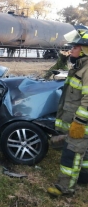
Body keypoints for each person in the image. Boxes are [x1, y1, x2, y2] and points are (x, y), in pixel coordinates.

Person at [47, 29, 88, 196]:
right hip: (80, 122)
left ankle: (64, 189)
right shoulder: (81, 66)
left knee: (70, 156)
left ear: (85, 50)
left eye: (76, 47)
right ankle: (84, 177)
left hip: (81, 123)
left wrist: (79, 122)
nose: (72, 50)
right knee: (84, 153)